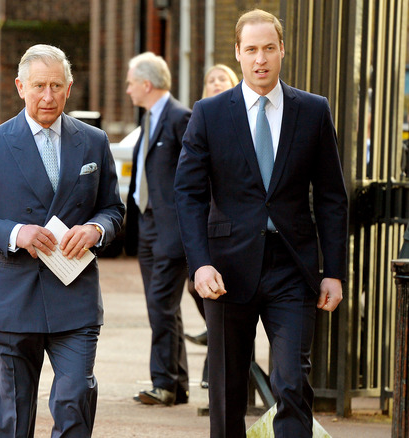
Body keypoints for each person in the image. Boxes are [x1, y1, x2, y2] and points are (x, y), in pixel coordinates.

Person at [174, 9, 347, 437]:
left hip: (293, 267)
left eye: (269, 48)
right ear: (237, 53)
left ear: (283, 50)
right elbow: (188, 194)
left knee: (291, 382)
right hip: (226, 269)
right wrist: (199, 264)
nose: (261, 58)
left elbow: (331, 198)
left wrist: (334, 273)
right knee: (229, 389)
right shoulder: (210, 113)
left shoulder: (312, 110)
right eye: (251, 49)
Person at [0, 44, 124, 437]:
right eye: (39, 86)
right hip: (11, 301)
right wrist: (15, 233)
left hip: (75, 297)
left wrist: (96, 229)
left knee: (75, 401)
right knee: (13, 420)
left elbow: (113, 209)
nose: (48, 96)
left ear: (69, 88)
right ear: (20, 87)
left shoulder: (94, 141)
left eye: (57, 86)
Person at [123, 52, 192, 407]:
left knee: (161, 305)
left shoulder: (181, 118)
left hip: (171, 230)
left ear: (147, 84)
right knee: (163, 306)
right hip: (148, 226)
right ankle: (175, 383)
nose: (128, 89)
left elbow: (196, 180)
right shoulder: (150, 118)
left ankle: (164, 382)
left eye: (131, 82)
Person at [183, 62, 241, 389]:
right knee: (201, 289)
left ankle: (216, 371)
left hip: (235, 229)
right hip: (205, 223)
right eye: (211, 79)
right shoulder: (201, 118)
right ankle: (215, 364)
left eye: (223, 78)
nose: (216, 83)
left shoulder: (243, 117)